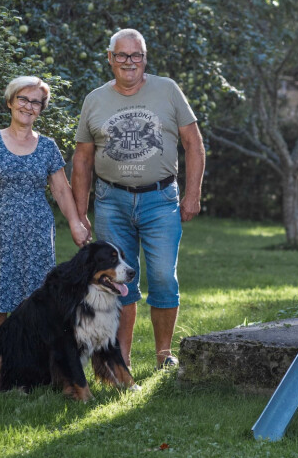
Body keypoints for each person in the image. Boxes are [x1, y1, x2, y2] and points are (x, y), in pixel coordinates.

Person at [72, 28, 205, 369]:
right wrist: (79, 212)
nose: (129, 62)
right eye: (122, 55)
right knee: (117, 282)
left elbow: (194, 144)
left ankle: (163, 356)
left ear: (145, 58)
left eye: (136, 56)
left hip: (160, 200)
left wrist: (193, 195)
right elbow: (83, 159)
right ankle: (121, 361)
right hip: (110, 201)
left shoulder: (168, 90)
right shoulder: (95, 99)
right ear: (110, 58)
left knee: (163, 276)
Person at [0, 76, 91, 334]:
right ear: (10, 102)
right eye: (23, 99)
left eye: (36, 102)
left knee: (37, 302)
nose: (28, 106)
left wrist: (76, 224)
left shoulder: (47, 147)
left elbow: (61, 190)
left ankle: (30, 364)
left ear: (41, 109)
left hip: (37, 235)